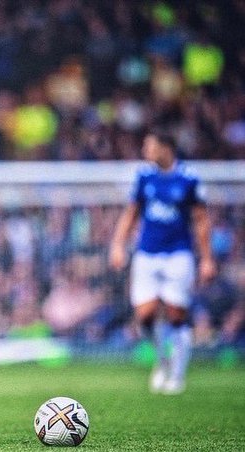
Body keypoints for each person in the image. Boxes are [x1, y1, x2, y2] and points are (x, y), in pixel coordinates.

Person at [109, 130, 216, 394]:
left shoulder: (189, 178)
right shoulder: (144, 176)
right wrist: (118, 245)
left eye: (149, 145)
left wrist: (207, 258)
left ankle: (177, 375)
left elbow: (201, 220)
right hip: (147, 253)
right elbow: (131, 213)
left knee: (176, 315)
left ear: (165, 147)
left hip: (179, 254)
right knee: (144, 316)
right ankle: (162, 361)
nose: (145, 150)